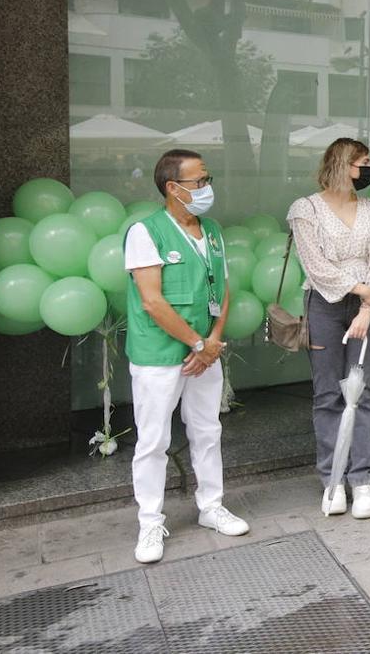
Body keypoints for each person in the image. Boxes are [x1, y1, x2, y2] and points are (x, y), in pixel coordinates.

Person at [125, 149, 249, 564]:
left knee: (206, 430)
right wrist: (199, 344)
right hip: (160, 354)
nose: (207, 188)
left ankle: (211, 507)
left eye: (208, 178)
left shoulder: (211, 229)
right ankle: (149, 523)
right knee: (154, 440)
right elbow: (153, 302)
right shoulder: (146, 232)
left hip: (205, 352)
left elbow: (223, 288)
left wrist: (213, 340)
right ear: (173, 188)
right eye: (199, 182)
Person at [287, 138, 370, 519]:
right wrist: (363, 291)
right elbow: (315, 266)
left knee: (360, 391)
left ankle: (362, 479)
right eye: (363, 162)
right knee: (328, 393)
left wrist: (367, 307)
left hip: (367, 308)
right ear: (344, 164)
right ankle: (333, 480)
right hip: (324, 307)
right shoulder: (305, 209)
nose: (368, 168)